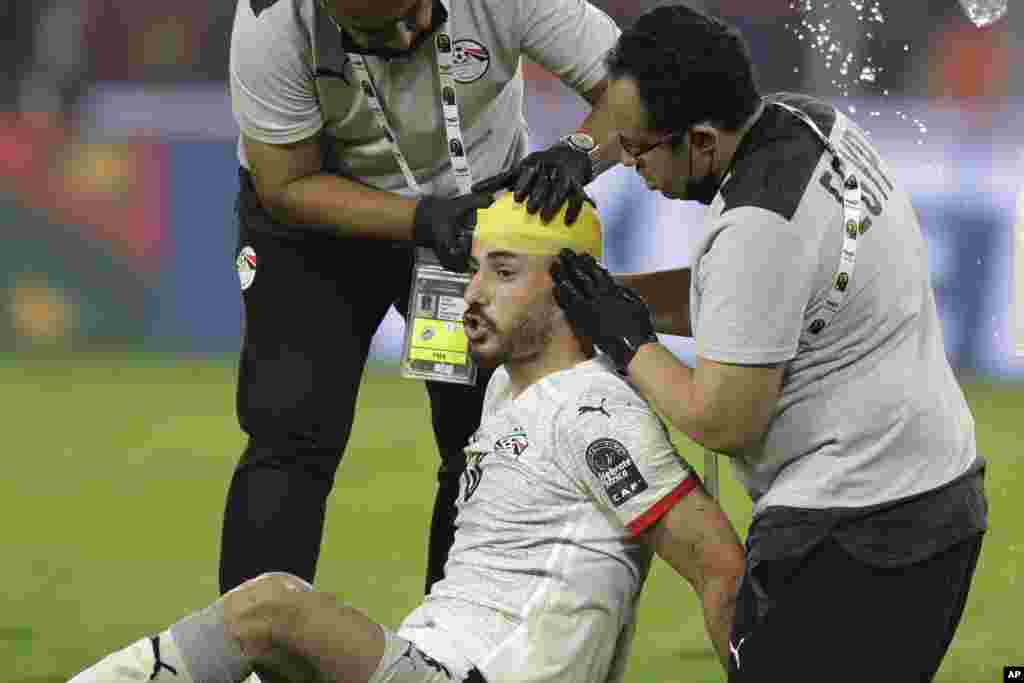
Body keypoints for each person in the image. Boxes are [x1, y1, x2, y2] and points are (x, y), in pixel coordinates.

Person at [67, 192, 745, 683]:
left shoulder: (596, 411)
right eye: (475, 269)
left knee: (272, 607)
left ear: (567, 291)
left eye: (502, 273)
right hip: (423, 655)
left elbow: (719, 566)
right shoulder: (509, 389)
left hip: (466, 675)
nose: (472, 293)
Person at [547, 5, 989, 681]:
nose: (634, 167)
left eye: (638, 149)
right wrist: (618, 298)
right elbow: (757, 310)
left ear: (698, 140)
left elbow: (723, 417)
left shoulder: (757, 227)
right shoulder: (809, 121)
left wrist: (628, 338)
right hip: (938, 494)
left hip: (856, 527)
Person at [222, 0, 624, 600]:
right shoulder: (272, 19)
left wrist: (579, 151)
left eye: (416, 12)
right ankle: (254, 655)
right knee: (290, 439)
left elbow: (636, 85)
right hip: (314, 228)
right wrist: (421, 218)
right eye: (378, 30)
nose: (408, 35)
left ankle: (456, 648)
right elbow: (285, 183)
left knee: (482, 443)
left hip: (474, 218)